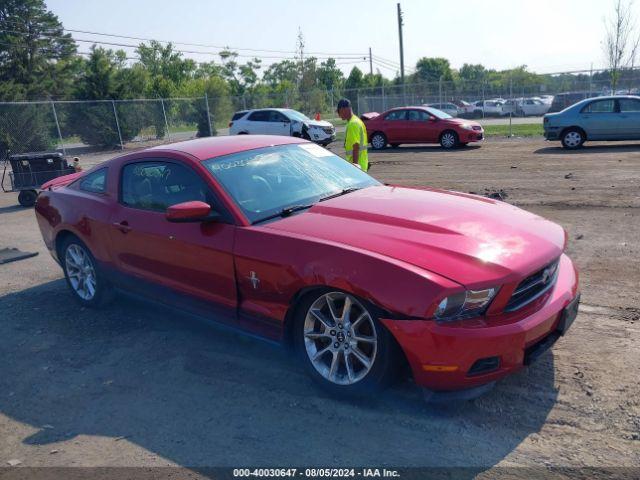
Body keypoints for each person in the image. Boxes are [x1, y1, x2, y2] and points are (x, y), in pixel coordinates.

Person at [336, 98, 368, 171]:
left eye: (339, 111)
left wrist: (355, 168)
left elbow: (356, 146)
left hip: (358, 167)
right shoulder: (357, 121)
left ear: (344, 109)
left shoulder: (353, 124)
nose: (339, 115)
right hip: (362, 164)